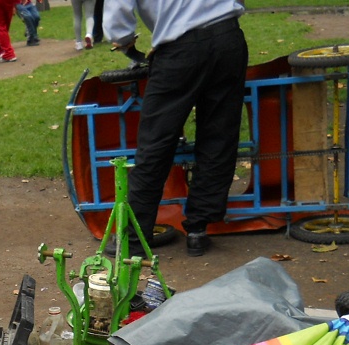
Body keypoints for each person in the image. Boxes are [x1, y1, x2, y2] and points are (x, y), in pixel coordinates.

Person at [104, 0, 247, 257]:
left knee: (155, 144)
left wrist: (124, 41)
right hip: (227, 37)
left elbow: (117, 16)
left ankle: (134, 241)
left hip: (179, 49)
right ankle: (199, 229)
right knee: (219, 135)